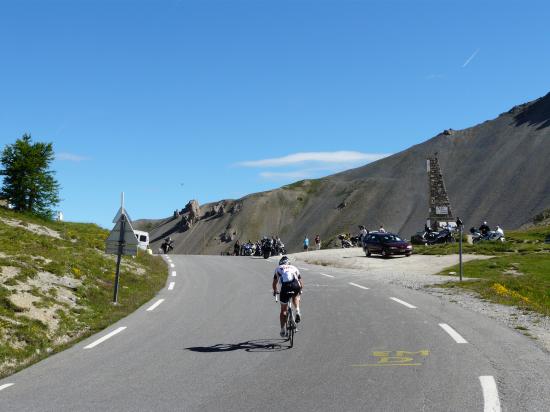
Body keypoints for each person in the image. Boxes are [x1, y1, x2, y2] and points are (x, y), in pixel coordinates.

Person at [272, 256, 303, 337]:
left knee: (283, 310)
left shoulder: (279, 268)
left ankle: (282, 330)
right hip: (295, 285)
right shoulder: (294, 267)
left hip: (285, 287)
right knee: (295, 296)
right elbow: (300, 281)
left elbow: (275, 283)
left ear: (280, 263)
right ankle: (297, 310)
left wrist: (275, 291)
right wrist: (300, 290)